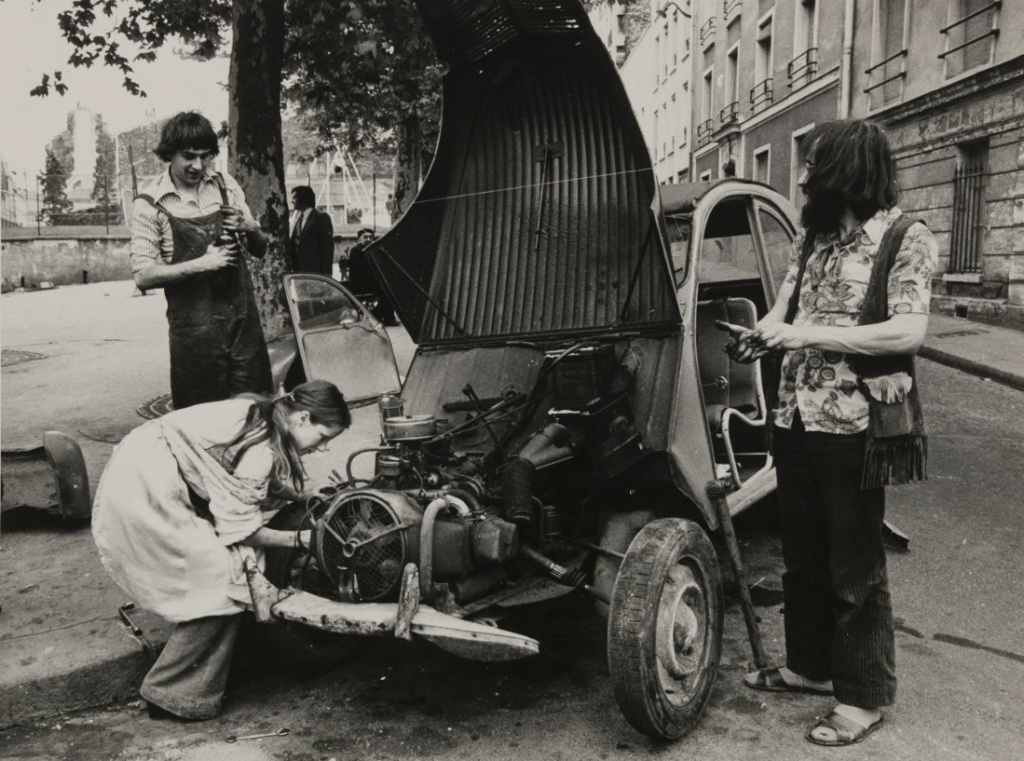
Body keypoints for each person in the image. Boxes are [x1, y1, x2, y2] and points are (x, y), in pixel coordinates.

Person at [727, 119, 938, 747]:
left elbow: (907, 331)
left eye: (812, 164)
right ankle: (810, 668)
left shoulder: (905, 237)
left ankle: (864, 697)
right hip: (794, 415)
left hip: (853, 425)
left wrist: (806, 335)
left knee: (854, 562)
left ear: (846, 169)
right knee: (802, 555)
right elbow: (785, 309)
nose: (801, 176)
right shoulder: (814, 237)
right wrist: (761, 332)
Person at [92, 381, 352, 721]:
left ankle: (222, 667)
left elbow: (239, 474)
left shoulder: (264, 411)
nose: (323, 449)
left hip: (144, 463)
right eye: (323, 437)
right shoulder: (261, 449)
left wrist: (299, 497)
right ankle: (171, 693)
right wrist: (301, 541)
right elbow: (243, 529)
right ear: (302, 418)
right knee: (224, 577)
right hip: (145, 489)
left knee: (235, 568)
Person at [130, 111, 272, 410]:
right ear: (169, 154)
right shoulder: (149, 203)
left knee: (257, 417)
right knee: (201, 426)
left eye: (205, 157)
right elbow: (143, 276)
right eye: (189, 157)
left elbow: (260, 249)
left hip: (243, 329)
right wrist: (202, 264)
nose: (198, 166)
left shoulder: (224, 185)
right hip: (194, 337)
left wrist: (251, 227)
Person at [346, 227, 398, 326]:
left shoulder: (372, 250)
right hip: (360, 283)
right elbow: (362, 270)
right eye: (365, 237)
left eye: (371, 237)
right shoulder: (356, 250)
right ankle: (385, 317)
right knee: (385, 289)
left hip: (370, 282)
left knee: (388, 287)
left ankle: (383, 316)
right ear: (359, 239)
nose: (368, 239)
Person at [289, 185, 335, 276]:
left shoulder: (321, 217)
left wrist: (326, 274)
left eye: (294, 198)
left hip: (315, 273)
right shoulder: (298, 218)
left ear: (303, 200)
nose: (292, 201)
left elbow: (327, 248)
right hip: (298, 273)